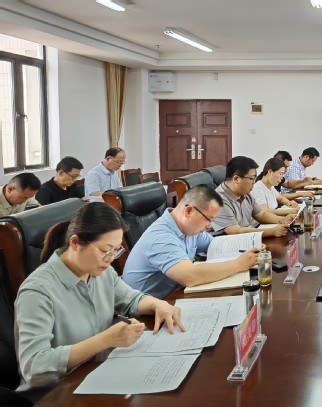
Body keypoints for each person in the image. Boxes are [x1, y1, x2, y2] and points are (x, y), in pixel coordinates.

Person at [14, 203, 184, 400]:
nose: (110, 259)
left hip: (99, 372)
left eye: (116, 251)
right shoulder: (37, 291)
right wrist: (106, 339)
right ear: (75, 243)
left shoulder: (100, 271)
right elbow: (34, 367)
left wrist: (157, 304)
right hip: (58, 394)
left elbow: (132, 300)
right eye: (105, 250)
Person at [122, 185, 260, 299]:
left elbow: (217, 246)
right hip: (148, 314)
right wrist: (238, 264)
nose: (210, 226)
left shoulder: (188, 229)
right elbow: (191, 276)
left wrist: (252, 247)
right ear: (188, 211)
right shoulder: (161, 237)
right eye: (208, 219)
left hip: (175, 297)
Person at [211, 156, 295, 238]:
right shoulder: (219, 199)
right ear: (236, 179)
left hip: (250, 236)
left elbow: (261, 215)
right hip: (232, 242)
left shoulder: (245, 193)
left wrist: (284, 220)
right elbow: (235, 231)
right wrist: (271, 231)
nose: (254, 183)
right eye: (251, 179)